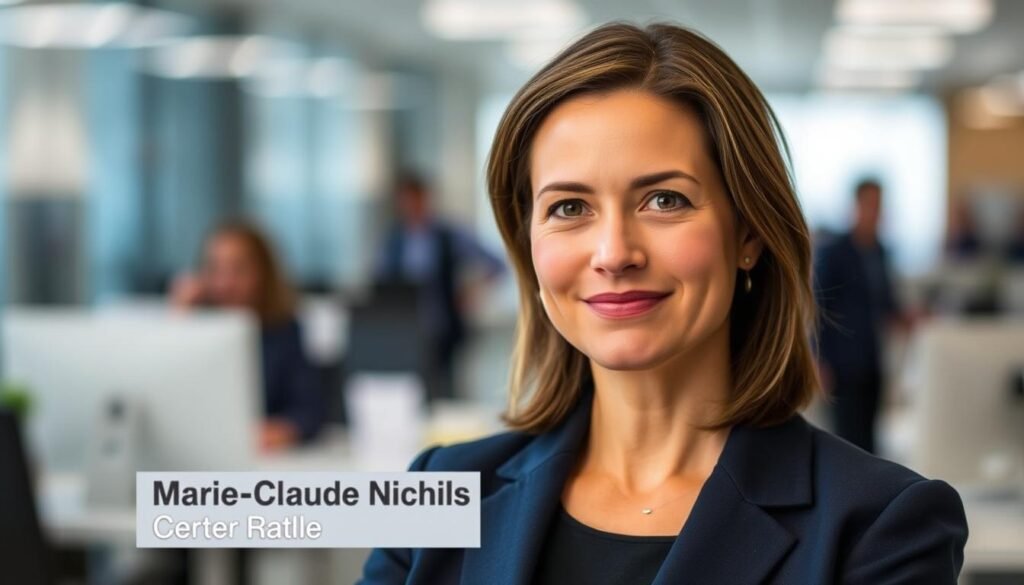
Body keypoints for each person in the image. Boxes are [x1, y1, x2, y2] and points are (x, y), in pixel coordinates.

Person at [360, 22, 967, 584]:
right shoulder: (440, 488)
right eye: (569, 208)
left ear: (749, 233)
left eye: (665, 200)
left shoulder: (879, 528)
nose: (614, 252)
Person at [172, 220, 325, 451]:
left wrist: (277, 431)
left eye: (239, 270)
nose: (225, 283)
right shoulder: (191, 329)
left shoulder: (284, 330)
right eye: (214, 270)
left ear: (263, 274)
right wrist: (178, 322)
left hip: (260, 460)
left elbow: (309, 412)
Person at [376, 172, 506, 401]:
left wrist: (472, 290)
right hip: (407, 328)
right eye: (405, 200)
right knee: (412, 391)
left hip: (445, 325)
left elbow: (495, 264)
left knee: (447, 389)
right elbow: (381, 280)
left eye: (416, 199)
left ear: (426, 198)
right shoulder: (395, 239)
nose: (411, 206)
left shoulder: (449, 235)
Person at [815, 179, 906, 454]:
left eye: (879, 205)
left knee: (871, 438)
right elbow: (819, 309)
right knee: (846, 441)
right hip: (843, 362)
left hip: (872, 358)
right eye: (870, 204)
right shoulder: (834, 252)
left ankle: (872, 496)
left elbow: (887, 304)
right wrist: (819, 359)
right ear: (856, 206)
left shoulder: (880, 251)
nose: (875, 211)